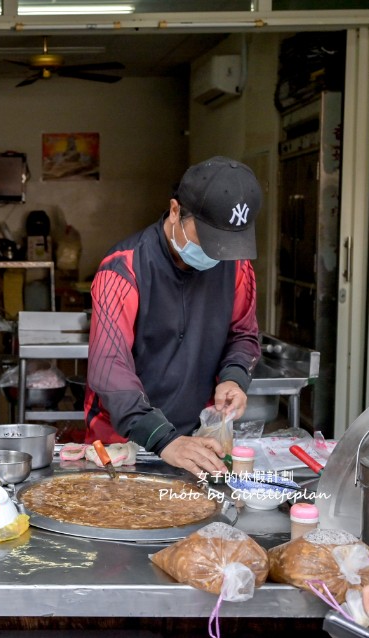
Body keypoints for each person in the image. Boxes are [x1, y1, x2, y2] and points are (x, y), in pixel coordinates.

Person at [82, 156, 262, 477]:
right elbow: (110, 367)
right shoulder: (123, 269)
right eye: (209, 239)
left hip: (198, 442)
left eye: (226, 244)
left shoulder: (236, 265)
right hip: (122, 447)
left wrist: (234, 376)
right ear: (176, 211)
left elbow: (243, 334)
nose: (217, 253)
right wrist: (163, 438)